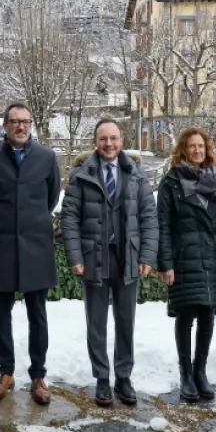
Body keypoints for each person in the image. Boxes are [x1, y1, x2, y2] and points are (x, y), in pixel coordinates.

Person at [62, 118, 159, 407]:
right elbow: (69, 217)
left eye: (114, 138)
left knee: (126, 322)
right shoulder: (81, 174)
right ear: (95, 142)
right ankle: (102, 378)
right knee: (96, 323)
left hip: (127, 256)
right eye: (103, 139)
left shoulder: (136, 174)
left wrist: (147, 255)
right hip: (94, 257)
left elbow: (149, 216)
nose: (109, 144)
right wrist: (75, 256)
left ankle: (124, 377)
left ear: (121, 141)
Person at [0, 103, 61, 406]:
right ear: (6, 125)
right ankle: (6, 373)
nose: (21, 126)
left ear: (31, 124)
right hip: (2, 244)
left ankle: (38, 376)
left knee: (38, 314)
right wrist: (3, 222)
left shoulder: (47, 157)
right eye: (15, 121)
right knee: (1, 314)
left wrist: (31, 222)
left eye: (25, 121)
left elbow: (51, 198)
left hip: (36, 245)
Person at [156, 128, 216, 404]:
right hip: (184, 258)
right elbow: (163, 225)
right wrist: (165, 263)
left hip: (211, 257)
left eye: (201, 146)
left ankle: (200, 371)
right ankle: (186, 374)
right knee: (186, 314)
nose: (197, 150)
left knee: (207, 314)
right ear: (183, 150)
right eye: (192, 146)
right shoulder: (172, 182)